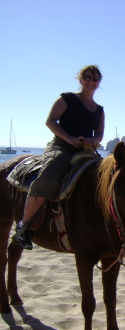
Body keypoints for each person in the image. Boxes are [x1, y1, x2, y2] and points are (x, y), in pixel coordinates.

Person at [15, 65, 105, 250]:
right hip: (61, 146)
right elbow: (50, 121)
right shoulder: (67, 99)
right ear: (80, 80)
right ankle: (24, 226)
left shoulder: (99, 110)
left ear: (99, 82)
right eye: (87, 77)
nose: (91, 81)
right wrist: (69, 138)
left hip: (85, 149)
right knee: (49, 175)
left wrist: (90, 140)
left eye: (95, 78)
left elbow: (100, 135)